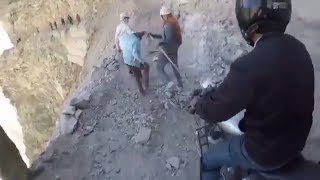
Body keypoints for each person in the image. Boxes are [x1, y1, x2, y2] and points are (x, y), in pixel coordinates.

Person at [188, 0, 314, 179]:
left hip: (265, 153)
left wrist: (199, 104)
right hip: (295, 143)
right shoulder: (299, 49)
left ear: (250, 26)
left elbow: (215, 112)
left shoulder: (248, 65)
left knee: (208, 161)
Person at [149, 6, 183, 88]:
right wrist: (155, 36)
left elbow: (168, 40)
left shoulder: (168, 25)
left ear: (165, 16)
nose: (162, 18)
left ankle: (168, 82)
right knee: (175, 66)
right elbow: (166, 37)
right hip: (174, 49)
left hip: (168, 50)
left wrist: (161, 44)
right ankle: (180, 84)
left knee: (159, 67)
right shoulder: (173, 22)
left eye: (162, 16)